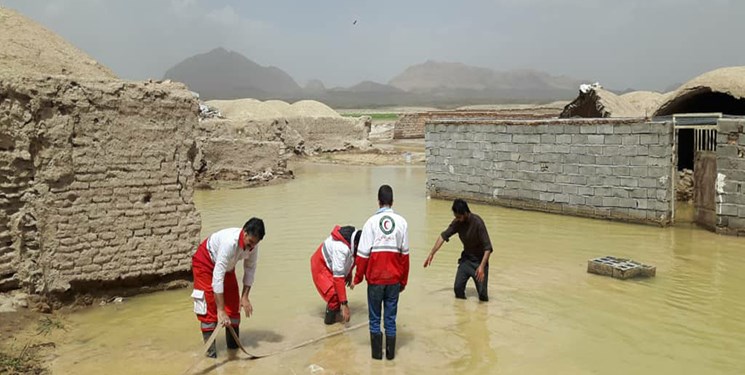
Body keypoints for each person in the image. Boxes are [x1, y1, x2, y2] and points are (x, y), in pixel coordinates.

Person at [191, 218, 266, 358]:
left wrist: (245, 297)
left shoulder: (253, 246)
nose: (251, 247)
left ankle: (234, 352)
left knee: (233, 307)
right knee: (209, 309)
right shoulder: (229, 243)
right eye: (250, 242)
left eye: (255, 244)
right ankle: (210, 356)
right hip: (205, 263)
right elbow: (217, 277)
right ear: (244, 233)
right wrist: (220, 310)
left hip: (227, 268)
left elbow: (250, 269)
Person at [354, 185, 409, 360]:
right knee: (390, 320)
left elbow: (362, 255)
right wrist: (403, 281)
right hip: (394, 280)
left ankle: (376, 360)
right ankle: (391, 358)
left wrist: (358, 277)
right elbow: (405, 256)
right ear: (392, 202)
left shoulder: (370, 223)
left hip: (376, 280)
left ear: (378, 201)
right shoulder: (402, 223)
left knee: (375, 319)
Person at [423, 199, 492, 302]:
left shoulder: (478, 223)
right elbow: (443, 236)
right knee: (458, 289)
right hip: (466, 260)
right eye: (456, 217)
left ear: (465, 213)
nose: (457, 219)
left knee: (482, 297)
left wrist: (482, 267)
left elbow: (488, 248)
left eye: (459, 217)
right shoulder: (457, 223)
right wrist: (432, 253)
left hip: (479, 262)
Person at [310, 225, 362, 325]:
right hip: (321, 267)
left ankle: (337, 321)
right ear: (356, 244)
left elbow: (353, 256)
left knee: (339, 294)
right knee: (334, 297)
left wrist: (350, 273)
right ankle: (329, 326)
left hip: (332, 265)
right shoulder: (341, 248)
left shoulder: (354, 237)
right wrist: (344, 304)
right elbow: (338, 278)